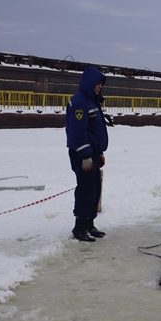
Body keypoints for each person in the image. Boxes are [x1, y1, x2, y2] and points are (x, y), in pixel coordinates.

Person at [65, 66, 109, 242]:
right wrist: (85, 155)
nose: (100, 87)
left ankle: (89, 224)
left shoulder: (91, 101)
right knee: (85, 190)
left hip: (92, 153)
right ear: (90, 83)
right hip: (82, 154)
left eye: (101, 84)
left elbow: (92, 131)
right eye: (98, 84)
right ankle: (79, 227)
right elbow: (77, 132)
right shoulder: (80, 102)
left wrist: (97, 152)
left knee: (94, 190)